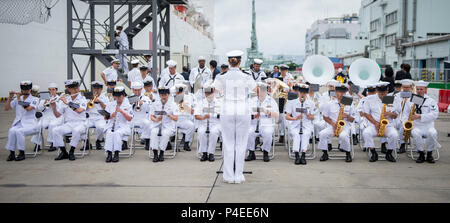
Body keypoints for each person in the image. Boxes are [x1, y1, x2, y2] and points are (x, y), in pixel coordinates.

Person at [213, 50, 257, 184]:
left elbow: (215, 92)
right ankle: (238, 175)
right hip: (243, 109)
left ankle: (228, 175)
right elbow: (256, 90)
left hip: (228, 109)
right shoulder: (247, 76)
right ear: (240, 62)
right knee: (241, 143)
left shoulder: (221, 76)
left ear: (228, 62)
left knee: (228, 143)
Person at [402, 80, 441, 163]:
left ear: (425, 89)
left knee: (433, 133)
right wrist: (405, 124)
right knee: (416, 133)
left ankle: (430, 154)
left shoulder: (431, 101)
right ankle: (421, 153)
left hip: (428, 125)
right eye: (418, 89)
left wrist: (420, 116)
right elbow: (405, 114)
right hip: (416, 125)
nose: (419, 91)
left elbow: (435, 114)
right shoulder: (410, 100)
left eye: (421, 89)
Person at [362, 82, 401, 162]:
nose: (382, 96)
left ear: (387, 91)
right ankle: (373, 152)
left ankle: (389, 153)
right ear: (376, 91)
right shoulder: (369, 99)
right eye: (380, 94)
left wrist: (391, 114)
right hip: (374, 125)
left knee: (394, 135)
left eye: (384, 93)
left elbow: (396, 115)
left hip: (388, 125)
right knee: (366, 133)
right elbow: (366, 113)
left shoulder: (393, 99)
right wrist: (375, 123)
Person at [50, 80, 88, 161]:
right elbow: (57, 115)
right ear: (69, 89)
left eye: (77, 87)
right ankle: (64, 152)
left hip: (81, 123)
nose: (77, 90)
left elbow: (80, 110)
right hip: (69, 123)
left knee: (76, 130)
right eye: (74, 88)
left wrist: (68, 103)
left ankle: (71, 151)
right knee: (55, 130)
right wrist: (53, 106)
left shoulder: (82, 99)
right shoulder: (65, 99)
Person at [318, 84, 355, 163]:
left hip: (345, 126)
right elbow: (325, 117)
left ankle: (348, 153)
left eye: (343, 92)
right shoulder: (329, 103)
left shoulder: (349, 102)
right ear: (335, 92)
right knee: (322, 134)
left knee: (344, 135)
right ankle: (325, 153)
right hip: (333, 126)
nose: (341, 94)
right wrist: (332, 123)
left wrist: (348, 116)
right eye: (339, 92)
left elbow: (353, 119)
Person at [4, 81, 40, 161]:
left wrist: (19, 98)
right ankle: (12, 153)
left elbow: (28, 109)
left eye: (27, 89)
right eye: (24, 89)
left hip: (31, 125)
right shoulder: (17, 100)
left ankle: (21, 153)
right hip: (19, 123)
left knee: (19, 132)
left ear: (30, 89)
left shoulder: (35, 99)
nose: (25, 91)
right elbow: (6, 108)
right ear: (21, 90)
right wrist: (10, 97)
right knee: (12, 131)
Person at [245, 82, 279, 162]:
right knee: (249, 132)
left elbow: (277, 115)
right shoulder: (252, 100)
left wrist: (266, 111)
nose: (260, 93)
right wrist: (253, 116)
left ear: (266, 91)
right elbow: (246, 114)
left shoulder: (272, 101)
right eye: (259, 91)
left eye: (262, 91)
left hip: (267, 124)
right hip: (254, 124)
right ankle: (251, 152)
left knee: (267, 133)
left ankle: (265, 152)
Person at [285, 83, 314, 165]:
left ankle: (303, 155)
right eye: (301, 92)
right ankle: (297, 155)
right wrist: (295, 118)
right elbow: (287, 116)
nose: (302, 94)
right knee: (296, 135)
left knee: (306, 134)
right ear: (298, 92)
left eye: (304, 93)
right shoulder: (291, 102)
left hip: (306, 125)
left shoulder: (311, 103)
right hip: (295, 124)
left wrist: (308, 115)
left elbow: (313, 117)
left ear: (307, 93)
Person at [103, 86, 133, 163]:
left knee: (117, 133)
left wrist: (122, 112)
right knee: (109, 133)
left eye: (119, 96)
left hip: (123, 126)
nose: (117, 97)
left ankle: (116, 153)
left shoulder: (128, 105)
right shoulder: (110, 105)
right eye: (116, 96)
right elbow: (105, 117)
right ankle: (109, 154)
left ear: (123, 95)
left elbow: (129, 119)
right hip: (112, 125)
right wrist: (111, 116)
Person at [31, 82, 63, 152]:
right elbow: (39, 108)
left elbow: (61, 109)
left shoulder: (60, 98)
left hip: (56, 117)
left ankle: (53, 143)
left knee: (52, 125)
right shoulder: (44, 98)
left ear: (56, 90)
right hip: (46, 117)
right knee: (39, 125)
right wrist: (45, 101)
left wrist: (54, 103)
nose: (51, 91)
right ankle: (37, 144)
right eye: (50, 90)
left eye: (53, 89)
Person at [150, 86, 178, 162]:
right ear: (159, 95)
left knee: (165, 134)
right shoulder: (155, 104)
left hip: (168, 126)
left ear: (168, 94)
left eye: (165, 95)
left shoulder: (173, 104)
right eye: (162, 95)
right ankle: (155, 154)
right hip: (157, 125)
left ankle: (161, 153)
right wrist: (156, 119)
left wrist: (169, 115)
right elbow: (151, 116)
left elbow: (176, 118)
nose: (163, 97)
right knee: (153, 133)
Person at [195, 82, 221, 162]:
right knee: (201, 132)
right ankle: (204, 153)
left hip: (215, 124)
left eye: (210, 93)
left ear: (213, 93)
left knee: (213, 132)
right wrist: (203, 117)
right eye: (207, 93)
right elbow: (196, 115)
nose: (208, 95)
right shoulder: (201, 102)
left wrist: (214, 115)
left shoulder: (218, 103)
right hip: (203, 123)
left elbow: (222, 115)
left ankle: (211, 153)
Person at [129, 81, 152, 150]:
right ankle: (124, 142)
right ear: (132, 90)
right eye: (135, 90)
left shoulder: (146, 98)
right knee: (122, 123)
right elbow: (126, 109)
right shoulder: (129, 98)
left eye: (139, 90)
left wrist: (143, 104)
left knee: (148, 123)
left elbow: (149, 109)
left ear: (141, 89)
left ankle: (147, 141)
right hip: (133, 119)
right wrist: (131, 104)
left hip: (142, 118)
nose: (137, 92)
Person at [172, 82, 195, 151]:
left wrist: (184, 105)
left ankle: (186, 143)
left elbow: (192, 111)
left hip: (184, 119)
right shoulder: (172, 100)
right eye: (178, 92)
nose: (179, 94)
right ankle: (168, 143)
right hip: (173, 119)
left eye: (181, 92)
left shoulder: (187, 100)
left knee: (191, 125)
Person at [86, 81, 108, 150]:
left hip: (100, 117)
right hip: (90, 117)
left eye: (98, 89)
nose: (96, 90)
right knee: (82, 126)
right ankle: (86, 142)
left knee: (101, 127)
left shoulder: (104, 98)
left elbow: (107, 109)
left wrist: (99, 101)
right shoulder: (89, 97)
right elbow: (85, 109)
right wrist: (90, 101)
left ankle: (98, 140)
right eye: (95, 88)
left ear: (101, 89)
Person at [396, 79, 414, 153]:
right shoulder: (397, 95)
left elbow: (417, 108)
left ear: (410, 87)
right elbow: (393, 106)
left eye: (407, 87)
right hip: (397, 117)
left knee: (403, 125)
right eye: (404, 87)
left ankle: (403, 144)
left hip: (409, 118)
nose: (405, 89)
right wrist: (402, 101)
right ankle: (401, 144)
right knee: (401, 125)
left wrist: (408, 102)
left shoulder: (414, 96)